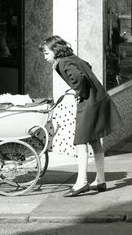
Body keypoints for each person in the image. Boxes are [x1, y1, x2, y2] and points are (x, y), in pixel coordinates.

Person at [40, 35, 123, 197]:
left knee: (80, 141)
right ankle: (100, 180)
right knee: (94, 140)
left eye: (46, 53)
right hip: (98, 99)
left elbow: (78, 77)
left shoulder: (62, 63)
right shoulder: (71, 57)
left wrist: (78, 91)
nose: (45, 57)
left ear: (55, 51)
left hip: (89, 103)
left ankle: (82, 182)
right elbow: (87, 66)